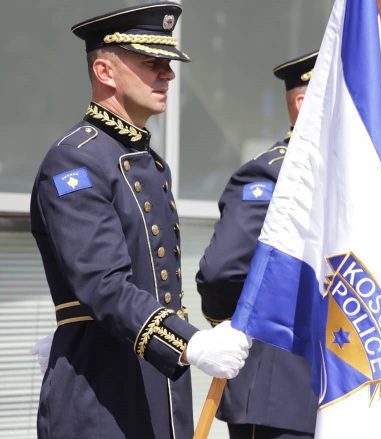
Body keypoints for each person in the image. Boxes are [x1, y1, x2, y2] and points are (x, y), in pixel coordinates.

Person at [29, 3, 251, 438]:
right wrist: (191, 343)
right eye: (152, 63)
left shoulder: (150, 164)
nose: (167, 75)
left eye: (168, 65)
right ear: (105, 72)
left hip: (157, 385)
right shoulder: (75, 160)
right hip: (103, 392)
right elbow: (103, 285)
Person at [196, 51, 319, 439]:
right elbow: (221, 272)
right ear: (303, 103)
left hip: (345, 384)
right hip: (279, 390)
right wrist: (237, 330)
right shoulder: (269, 174)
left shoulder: (357, 184)